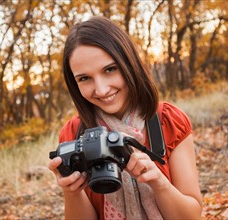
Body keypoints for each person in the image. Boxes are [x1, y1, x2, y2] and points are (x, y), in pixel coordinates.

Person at [48, 16, 202, 219]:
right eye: (85, 78)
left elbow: (191, 216)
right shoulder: (73, 134)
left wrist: (158, 182)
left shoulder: (169, 121)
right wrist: (71, 191)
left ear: (129, 63)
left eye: (110, 70)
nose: (102, 90)